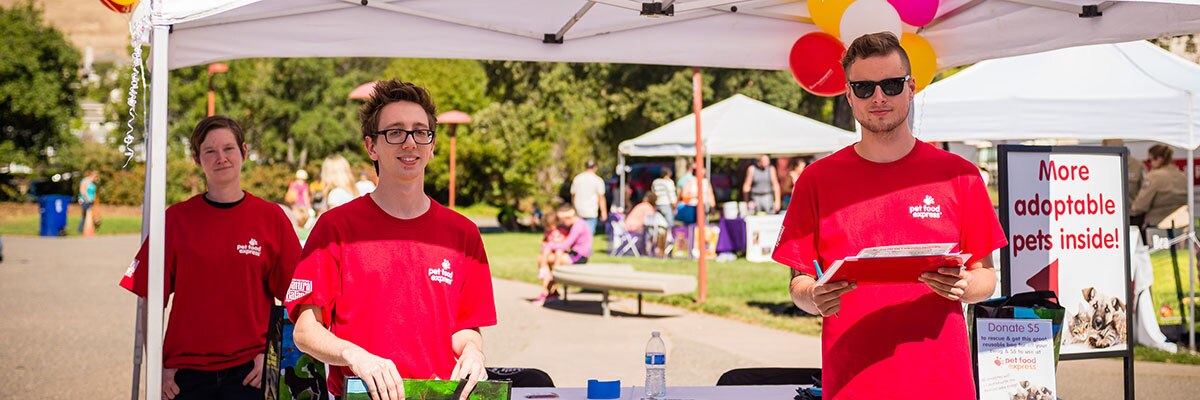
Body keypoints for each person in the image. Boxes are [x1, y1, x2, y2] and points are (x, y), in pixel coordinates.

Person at [772, 32, 1007, 399]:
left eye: (891, 85)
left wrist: (964, 286)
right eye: (864, 88)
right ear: (848, 95)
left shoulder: (959, 175)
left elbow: (987, 277)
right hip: (851, 382)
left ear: (911, 88)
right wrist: (814, 295)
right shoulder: (817, 179)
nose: (878, 97)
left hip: (942, 382)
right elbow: (797, 284)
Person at [285, 80, 496, 400]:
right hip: (360, 394)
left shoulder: (462, 234)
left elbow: (465, 328)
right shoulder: (335, 228)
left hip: (438, 394)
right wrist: (355, 356)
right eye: (395, 132)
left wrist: (473, 352)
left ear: (432, 144)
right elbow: (304, 331)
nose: (409, 143)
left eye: (420, 132)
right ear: (371, 146)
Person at [119, 115, 302, 400]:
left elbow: (297, 297)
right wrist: (158, 366)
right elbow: (150, 301)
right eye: (210, 151)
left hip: (249, 374)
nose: (221, 158)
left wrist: (270, 355)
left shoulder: (271, 218)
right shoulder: (176, 219)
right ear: (196, 158)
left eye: (228, 148)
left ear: (244, 152)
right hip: (184, 376)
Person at [534, 205, 593, 306]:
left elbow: (565, 245)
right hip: (573, 254)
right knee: (543, 259)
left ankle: (546, 292)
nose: (562, 224)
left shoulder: (578, 226)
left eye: (562, 220)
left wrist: (547, 246)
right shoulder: (578, 224)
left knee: (542, 259)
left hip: (578, 257)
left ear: (568, 217)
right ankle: (551, 291)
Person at [1131, 144, 1188, 230]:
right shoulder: (1182, 176)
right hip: (1183, 224)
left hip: (1159, 226)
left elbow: (1139, 206)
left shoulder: (1154, 176)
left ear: (1159, 159)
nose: (1149, 164)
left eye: (1149, 160)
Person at [571, 160, 607, 234]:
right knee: (588, 235)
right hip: (591, 211)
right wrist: (603, 212)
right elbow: (601, 198)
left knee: (578, 234)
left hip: (579, 210)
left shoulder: (577, 179)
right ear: (595, 168)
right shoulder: (598, 180)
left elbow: (573, 196)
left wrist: (574, 208)